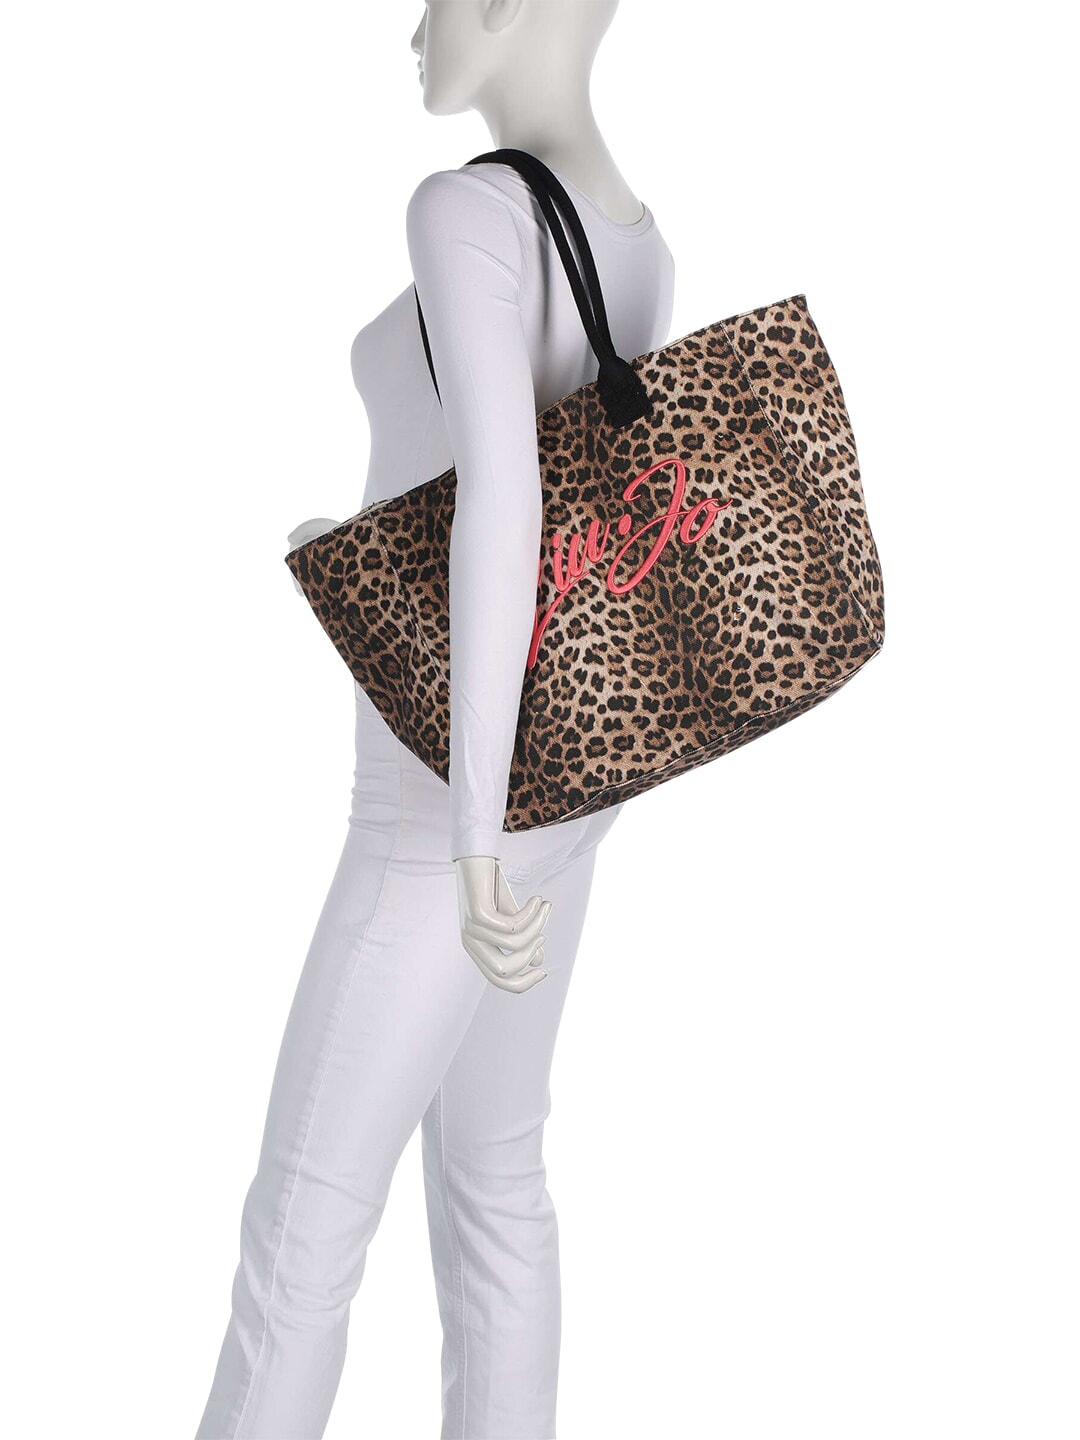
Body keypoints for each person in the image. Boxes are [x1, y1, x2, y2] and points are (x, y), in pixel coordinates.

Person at [195, 3, 674, 1435]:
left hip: (440, 808)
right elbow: (556, 512)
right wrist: (350, 553)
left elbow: (511, 506)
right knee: (496, 1188)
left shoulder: (465, 211)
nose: (414, 28)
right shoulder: (633, 233)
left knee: (299, 1242)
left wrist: (469, 840)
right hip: (569, 794)